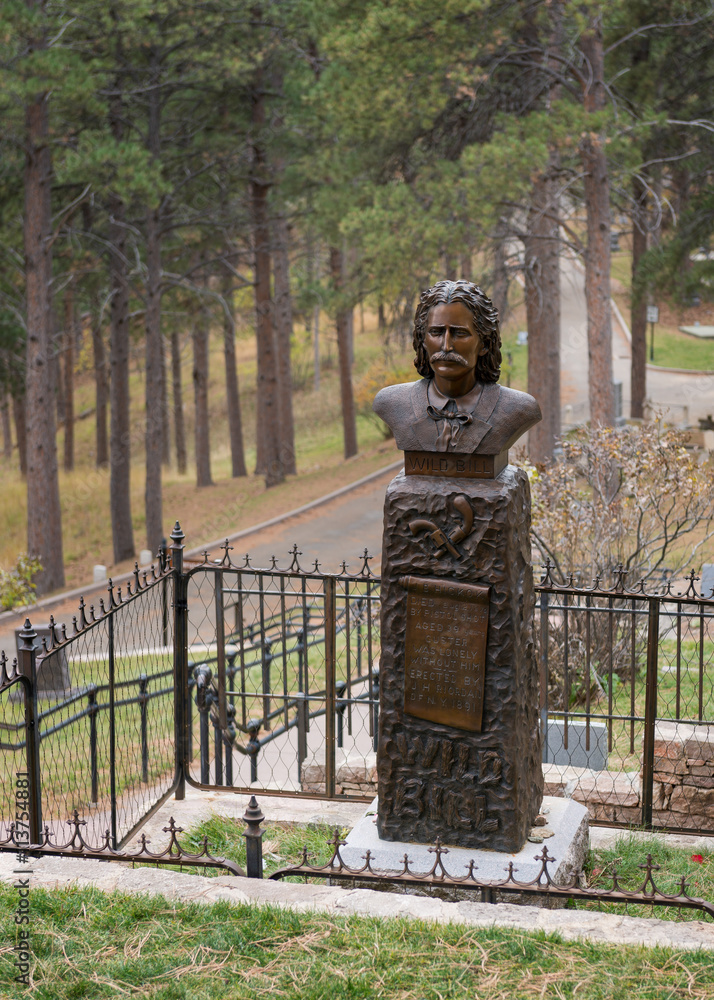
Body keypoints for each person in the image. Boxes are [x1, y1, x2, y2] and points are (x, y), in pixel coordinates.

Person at [373, 280, 541, 455]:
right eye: (436, 332)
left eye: (459, 333)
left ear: (484, 343)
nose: (446, 346)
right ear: (423, 340)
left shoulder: (518, 408)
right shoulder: (390, 403)